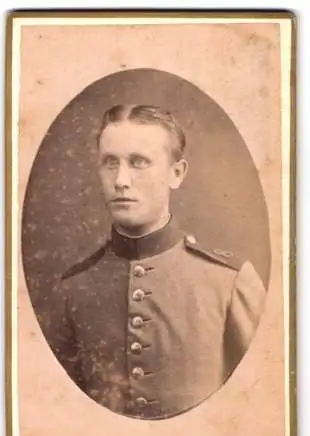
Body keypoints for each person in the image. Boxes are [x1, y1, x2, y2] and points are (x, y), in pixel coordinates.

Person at [50, 104, 266, 420]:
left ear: (175, 174)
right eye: (110, 163)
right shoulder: (74, 288)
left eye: (139, 163)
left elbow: (263, 401)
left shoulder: (230, 281)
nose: (121, 180)